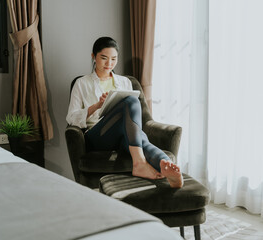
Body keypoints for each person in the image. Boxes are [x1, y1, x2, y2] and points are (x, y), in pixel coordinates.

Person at [66, 37, 183, 188]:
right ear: (93, 56)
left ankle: (166, 167)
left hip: (124, 135)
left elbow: (134, 118)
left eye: (114, 59)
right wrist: (97, 105)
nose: (109, 64)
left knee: (139, 137)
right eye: (104, 58)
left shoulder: (125, 82)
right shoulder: (82, 83)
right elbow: (71, 118)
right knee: (132, 101)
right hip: (97, 136)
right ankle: (139, 163)